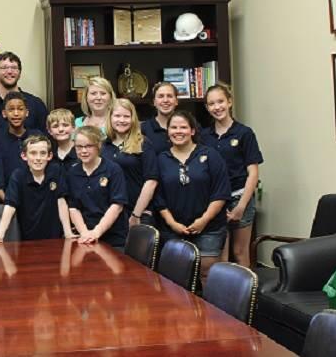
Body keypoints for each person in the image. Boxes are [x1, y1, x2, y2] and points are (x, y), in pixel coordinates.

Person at [155, 110, 231, 284]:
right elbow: (158, 197)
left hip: (209, 227)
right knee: (176, 277)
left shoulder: (211, 155)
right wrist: (172, 223)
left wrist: (203, 220)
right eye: (173, 127)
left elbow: (221, 192)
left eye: (183, 127)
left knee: (207, 274)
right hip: (173, 228)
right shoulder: (161, 159)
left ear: (193, 131)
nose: (178, 131)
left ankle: (211, 312)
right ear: (168, 131)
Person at [201, 83, 263, 268]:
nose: (217, 107)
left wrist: (241, 206)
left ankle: (247, 296)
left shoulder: (244, 133)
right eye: (211, 103)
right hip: (215, 201)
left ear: (229, 102)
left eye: (220, 101)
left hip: (239, 198)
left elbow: (253, 172)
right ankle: (221, 297)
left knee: (239, 252)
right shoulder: (204, 136)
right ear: (207, 107)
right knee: (220, 254)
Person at [0, 135, 73, 242]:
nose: (38, 158)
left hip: (55, 238)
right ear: (24, 156)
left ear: (49, 156)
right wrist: (0, 235)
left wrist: (68, 233)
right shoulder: (18, 176)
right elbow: (10, 206)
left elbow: (61, 201)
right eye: (33, 153)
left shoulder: (56, 171)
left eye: (43, 153)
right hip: (27, 239)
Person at [64, 126, 129, 248]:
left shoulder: (113, 170)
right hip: (84, 237)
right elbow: (73, 207)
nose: (83, 151)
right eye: (79, 147)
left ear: (99, 145)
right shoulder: (72, 173)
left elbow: (117, 205)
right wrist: (84, 233)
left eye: (88, 146)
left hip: (113, 238)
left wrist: (96, 232)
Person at [102, 99, 159, 228]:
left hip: (138, 212)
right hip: (110, 214)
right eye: (117, 116)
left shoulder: (143, 143)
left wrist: (136, 214)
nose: (121, 120)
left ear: (133, 119)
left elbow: (151, 181)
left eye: (126, 116)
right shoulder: (103, 146)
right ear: (110, 118)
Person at [0, 92, 43, 183]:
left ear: (27, 113)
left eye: (20, 109)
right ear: (4, 113)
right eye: (11, 110)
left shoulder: (37, 136)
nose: (16, 113)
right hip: (6, 193)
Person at [0, 51, 48, 132]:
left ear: (20, 73)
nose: (9, 71)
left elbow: (47, 136)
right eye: (4, 68)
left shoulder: (36, 104)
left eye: (14, 68)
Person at [141, 81, 179, 154]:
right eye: (161, 96)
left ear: (176, 101)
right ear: (154, 102)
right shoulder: (143, 129)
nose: (165, 100)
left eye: (170, 96)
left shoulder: (188, 127)